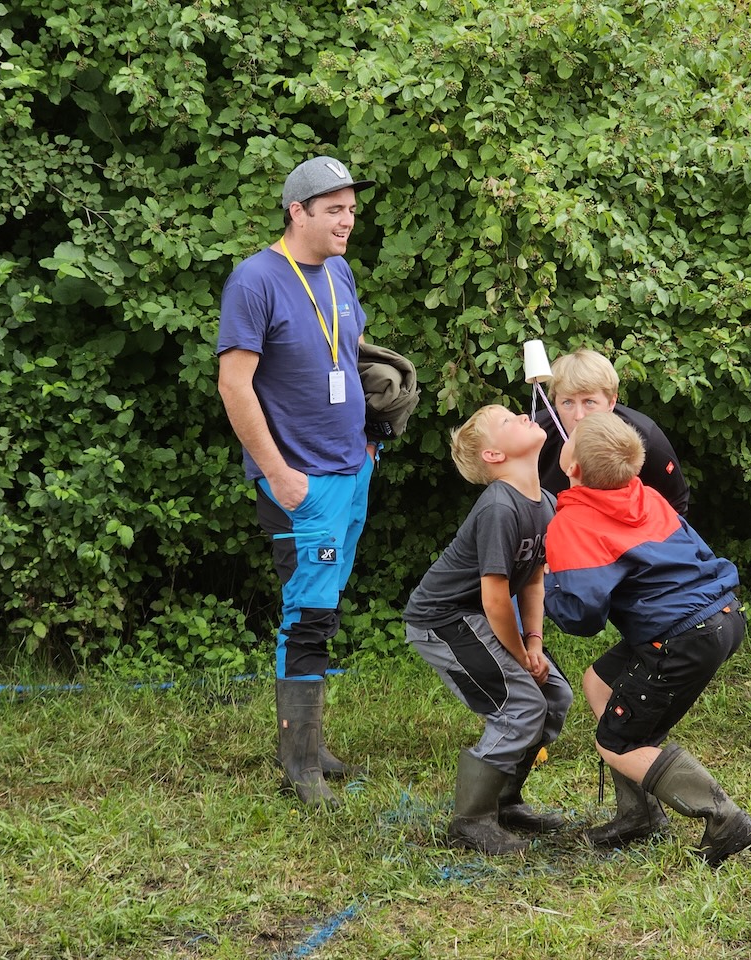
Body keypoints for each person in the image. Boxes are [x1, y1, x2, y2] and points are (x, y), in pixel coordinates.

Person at [217, 156, 378, 809]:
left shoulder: (338, 271)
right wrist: (280, 475)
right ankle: (300, 764)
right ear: (297, 212)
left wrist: (370, 439)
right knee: (306, 616)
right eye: (334, 210)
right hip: (300, 482)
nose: (347, 221)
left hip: (352, 470)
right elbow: (234, 384)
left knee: (326, 606)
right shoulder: (255, 280)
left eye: (351, 209)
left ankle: (311, 743)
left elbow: (349, 353)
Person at [544, 412, 751, 868]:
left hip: (679, 637)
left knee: (616, 743)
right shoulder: (647, 496)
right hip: (721, 615)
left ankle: (724, 817)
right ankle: (639, 815)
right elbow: (696, 553)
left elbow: (582, 617)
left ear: (572, 467)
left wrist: (548, 585)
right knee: (600, 683)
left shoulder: (573, 521)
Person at [404, 404, 574, 854]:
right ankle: (471, 821)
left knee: (554, 696)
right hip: (444, 620)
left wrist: (534, 642)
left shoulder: (545, 502)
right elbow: (495, 599)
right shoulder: (499, 506)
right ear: (494, 456)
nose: (521, 416)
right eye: (506, 420)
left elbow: (533, 580)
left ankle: (505, 801)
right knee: (521, 706)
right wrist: (522, 657)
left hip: (480, 617)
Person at [535, 348, 689, 516]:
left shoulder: (643, 437)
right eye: (567, 402)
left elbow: (676, 504)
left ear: (611, 402)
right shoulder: (536, 435)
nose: (579, 416)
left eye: (589, 402)